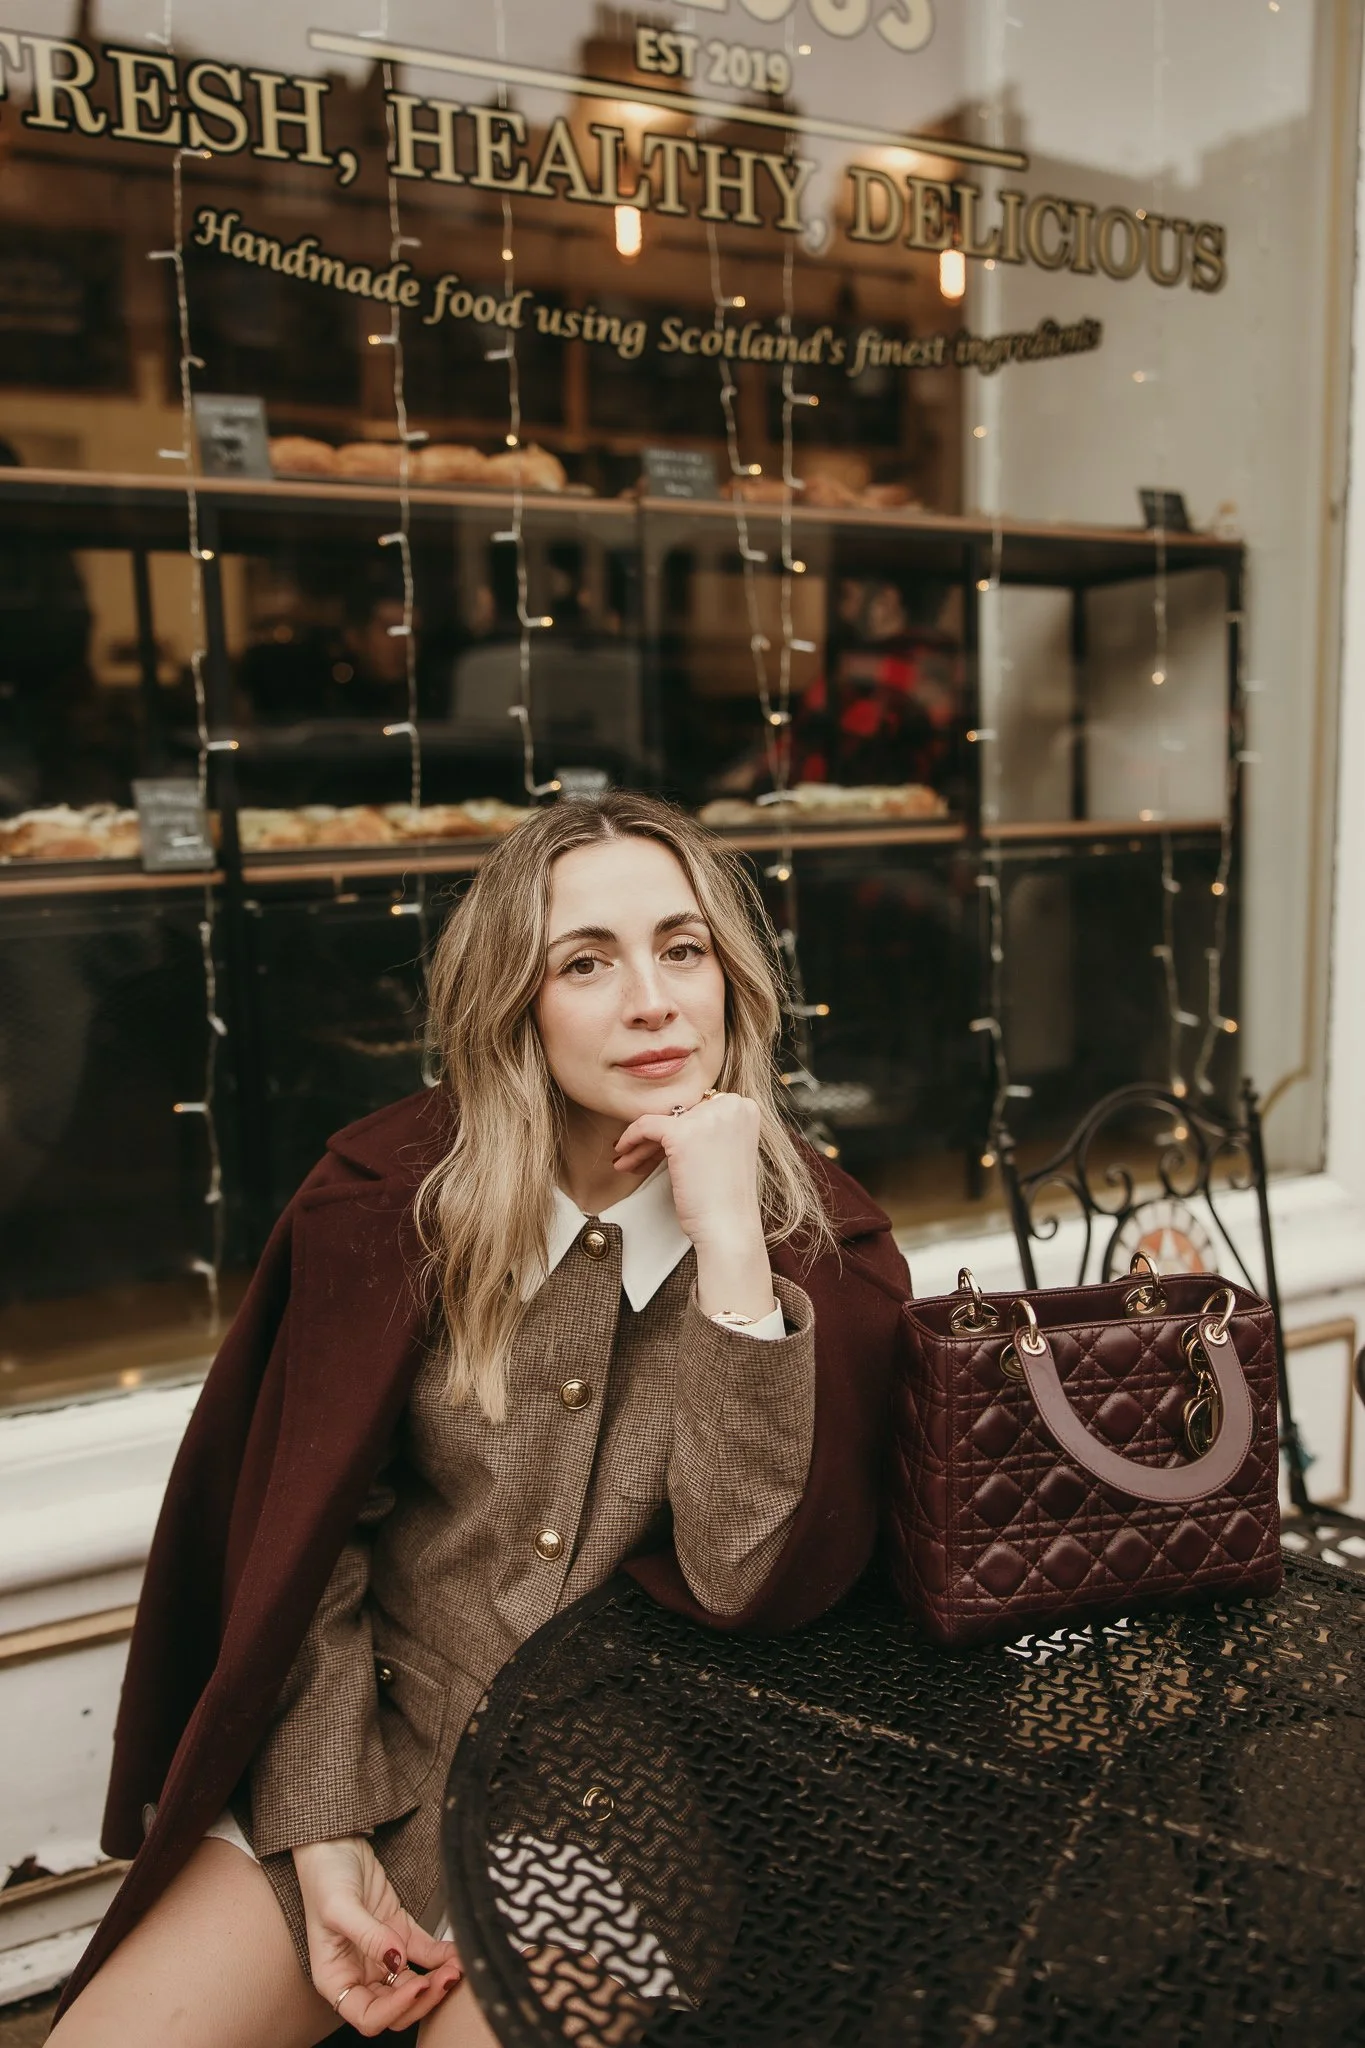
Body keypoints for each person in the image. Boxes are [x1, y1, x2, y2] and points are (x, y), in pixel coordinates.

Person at [50, 792, 910, 2047]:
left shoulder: (823, 1250)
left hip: (628, 1797)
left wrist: (733, 1249)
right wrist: (323, 1821)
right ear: (514, 1000)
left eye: (683, 948)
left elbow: (744, 1575)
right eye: (586, 961)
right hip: (378, 1734)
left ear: (733, 976)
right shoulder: (392, 1202)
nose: (654, 1000)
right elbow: (313, 1544)